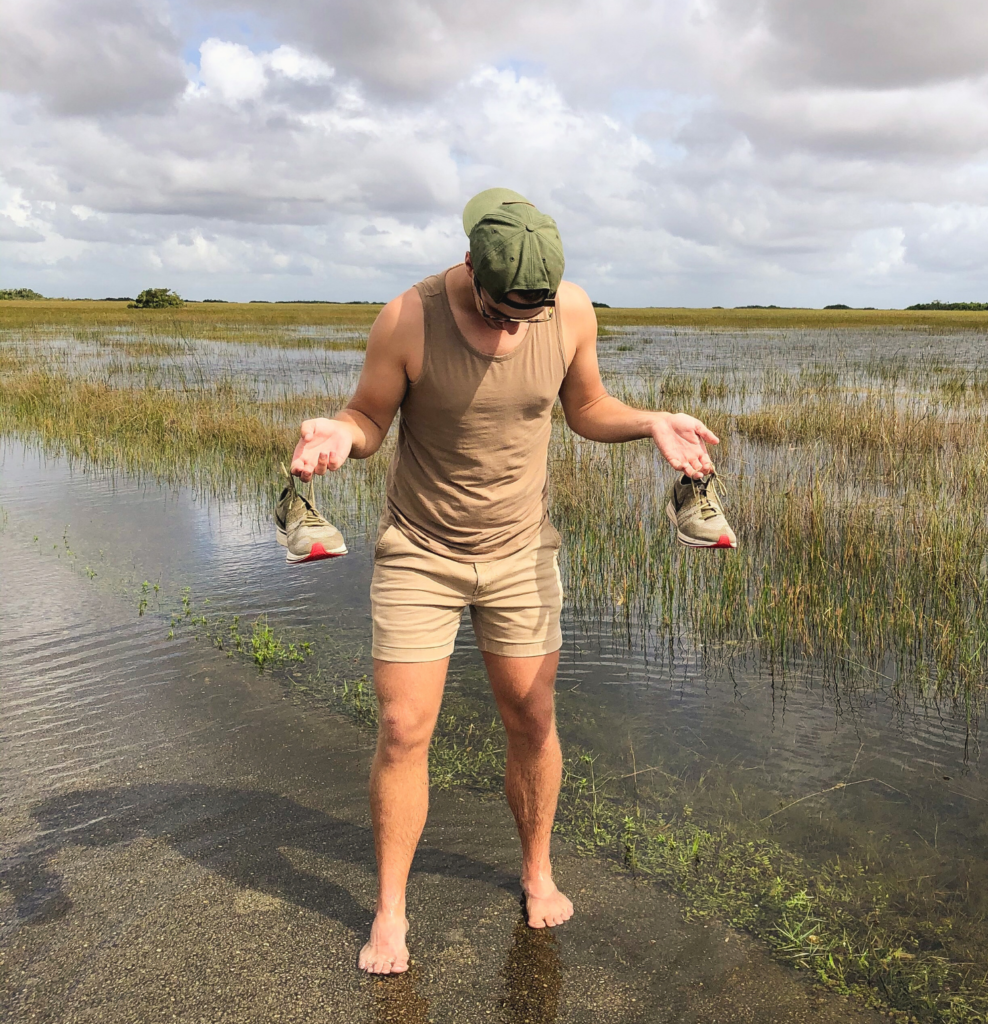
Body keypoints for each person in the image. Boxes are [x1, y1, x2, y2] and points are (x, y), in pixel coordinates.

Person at [290, 188, 726, 975]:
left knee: (531, 717)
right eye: (498, 312)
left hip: (523, 552)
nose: (510, 329)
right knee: (401, 729)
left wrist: (651, 422)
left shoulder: (571, 313)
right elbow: (367, 419)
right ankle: (390, 911)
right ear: (468, 270)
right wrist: (336, 434)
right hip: (421, 550)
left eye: (528, 316)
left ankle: (536, 870)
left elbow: (586, 406)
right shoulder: (408, 318)